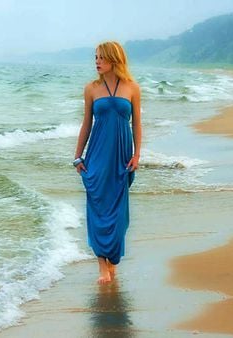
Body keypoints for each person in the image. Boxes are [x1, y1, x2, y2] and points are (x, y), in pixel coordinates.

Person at [73, 41, 142, 285]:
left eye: (101, 57)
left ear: (114, 59)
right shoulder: (91, 89)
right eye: (95, 57)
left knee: (119, 214)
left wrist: (137, 155)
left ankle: (112, 261)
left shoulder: (132, 88)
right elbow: (86, 124)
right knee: (98, 209)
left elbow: (136, 124)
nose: (97, 62)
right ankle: (102, 266)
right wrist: (78, 155)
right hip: (97, 155)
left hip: (122, 155)